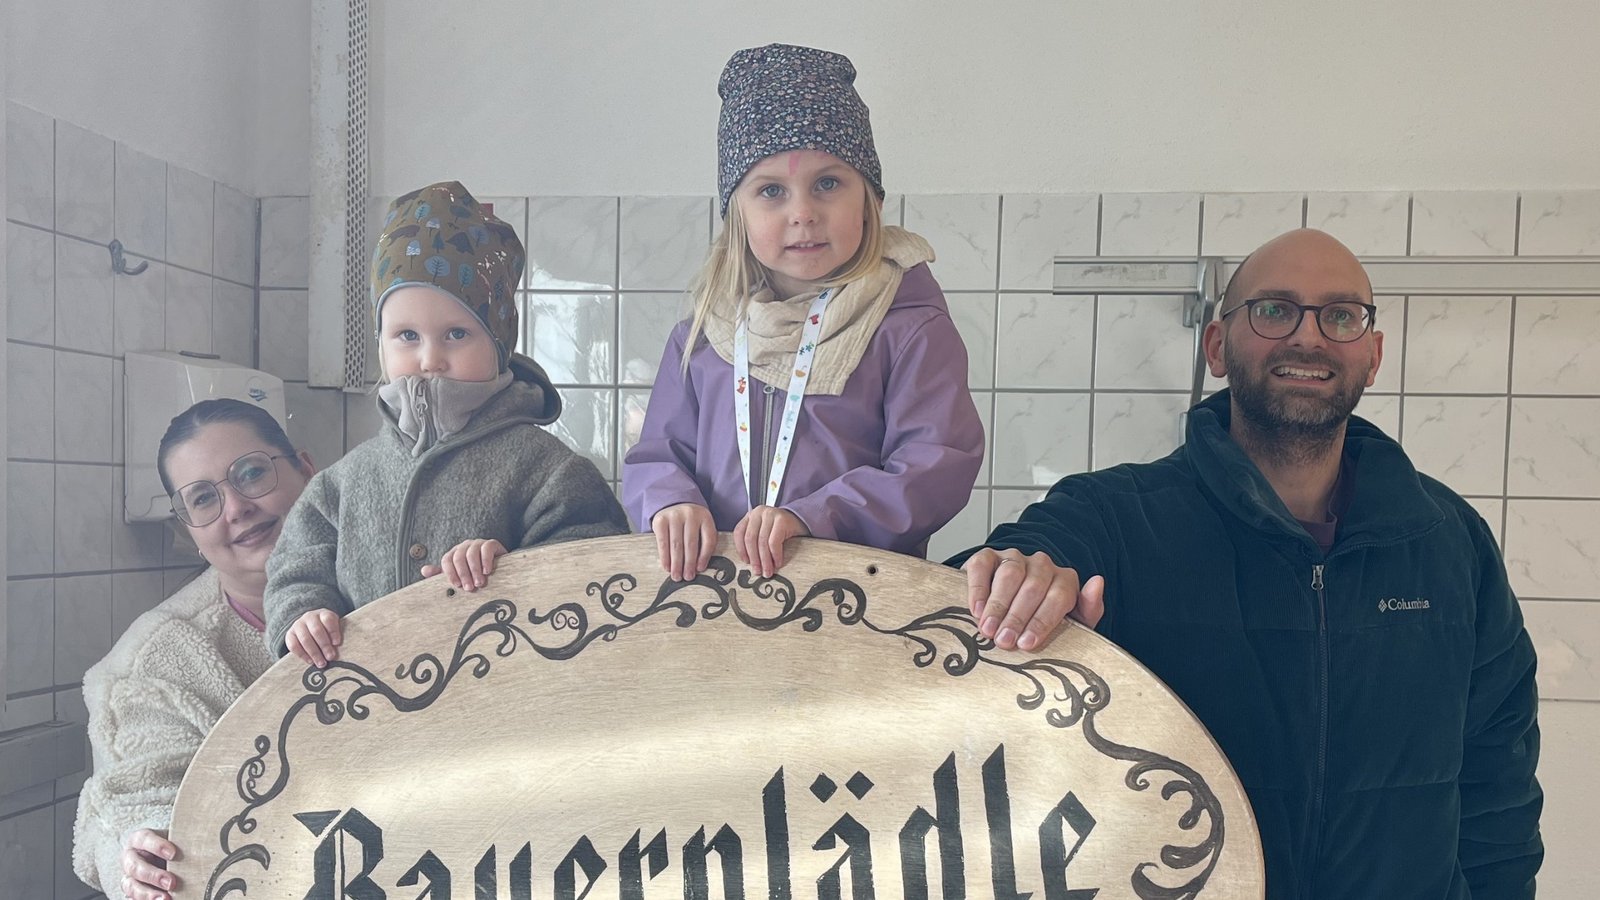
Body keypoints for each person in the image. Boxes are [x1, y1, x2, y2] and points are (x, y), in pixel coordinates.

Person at [952, 228, 1543, 896]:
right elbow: (983, 577)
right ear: (1216, 346)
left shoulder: (1448, 540)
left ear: (1373, 356)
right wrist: (1013, 576)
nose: (1309, 337)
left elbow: (1499, 780)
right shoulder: (1114, 517)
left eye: (1341, 316)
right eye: (1273, 310)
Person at [622, 43, 983, 581]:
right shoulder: (703, 336)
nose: (804, 214)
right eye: (771, 191)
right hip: (717, 604)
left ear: (871, 200)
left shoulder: (908, 326)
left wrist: (812, 516)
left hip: (856, 603)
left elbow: (934, 464)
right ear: (735, 214)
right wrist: (669, 502)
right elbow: (658, 455)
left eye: (828, 184)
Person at [265, 181, 629, 666]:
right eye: (406, 335)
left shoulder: (549, 470)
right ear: (381, 346)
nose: (429, 358)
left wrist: (511, 571)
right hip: (365, 719)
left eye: (456, 333)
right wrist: (303, 615)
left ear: (499, 346)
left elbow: (597, 566)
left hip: (503, 717)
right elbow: (295, 568)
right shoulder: (344, 483)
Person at [73, 399, 316, 900]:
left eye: (252, 473)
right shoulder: (151, 666)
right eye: (204, 499)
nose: (236, 508)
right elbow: (136, 802)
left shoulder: (394, 583)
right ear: (189, 529)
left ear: (307, 470)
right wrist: (139, 851)